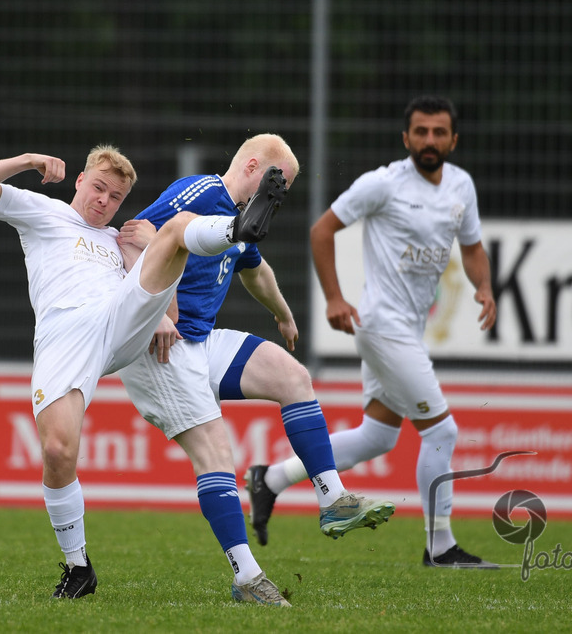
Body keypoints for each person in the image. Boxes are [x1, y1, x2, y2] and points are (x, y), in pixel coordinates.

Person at [0, 144, 288, 600]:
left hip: (118, 321)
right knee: (57, 451)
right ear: (80, 181)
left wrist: (162, 306)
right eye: (98, 188)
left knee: (168, 231)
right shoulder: (44, 212)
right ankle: (78, 568)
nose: (104, 202)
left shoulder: (118, 236)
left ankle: (236, 228)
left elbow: (160, 283)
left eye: (114, 196)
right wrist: (29, 162)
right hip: (66, 336)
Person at [117, 134, 395, 606]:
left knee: (293, 377)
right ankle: (247, 579)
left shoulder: (241, 220)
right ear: (252, 167)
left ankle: (333, 500)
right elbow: (133, 231)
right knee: (217, 457)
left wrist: (283, 314)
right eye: (276, 184)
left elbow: (255, 270)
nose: (278, 197)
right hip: (159, 350)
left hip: (200, 342)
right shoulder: (203, 192)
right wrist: (156, 311)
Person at [245, 97, 499, 568]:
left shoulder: (461, 185)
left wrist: (484, 287)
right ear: (406, 139)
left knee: (376, 437)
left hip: (408, 330)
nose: (429, 140)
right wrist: (335, 298)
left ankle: (269, 479)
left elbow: (473, 246)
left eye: (438, 132)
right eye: (420, 132)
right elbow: (322, 231)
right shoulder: (383, 184)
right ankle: (439, 548)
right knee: (441, 431)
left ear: (453, 140)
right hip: (383, 327)